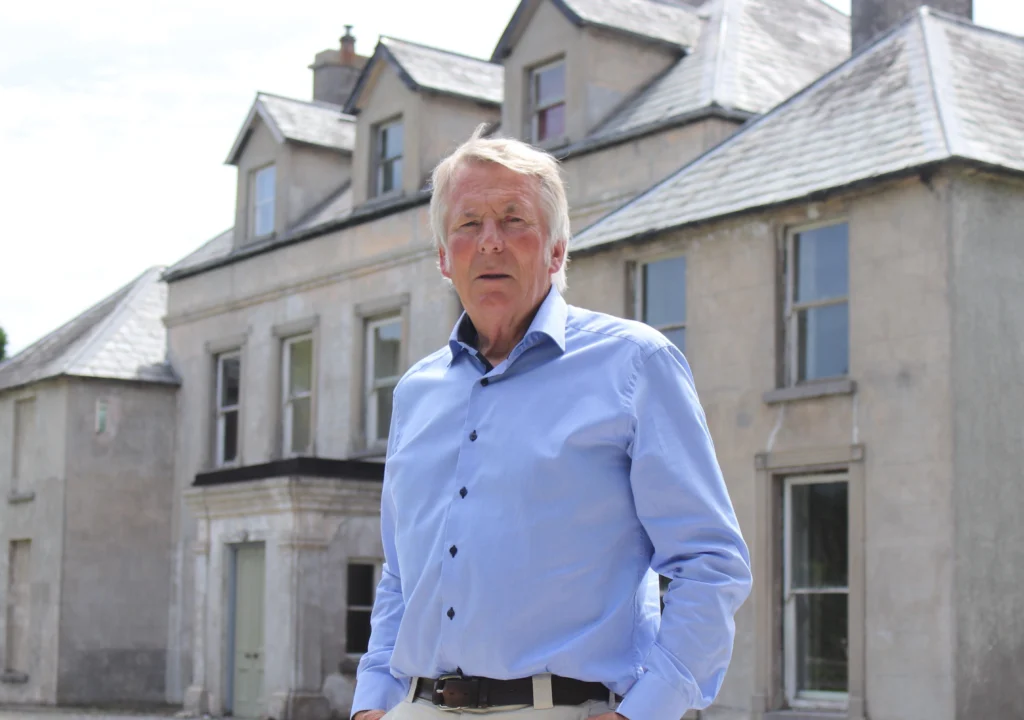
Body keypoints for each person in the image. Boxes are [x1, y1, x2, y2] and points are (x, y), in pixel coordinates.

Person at [351, 126, 752, 720]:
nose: (490, 243)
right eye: (468, 224)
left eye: (515, 220)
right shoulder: (415, 391)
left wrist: (647, 711)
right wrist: (372, 703)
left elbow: (709, 563)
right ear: (443, 256)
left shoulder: (635, 363)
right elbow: (401, 578)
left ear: (557, 250)